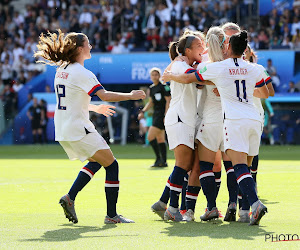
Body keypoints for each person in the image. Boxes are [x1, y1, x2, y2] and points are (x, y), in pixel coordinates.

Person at [34, 29, 146, 224]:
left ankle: (70, 198)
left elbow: (72, 99)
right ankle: (111, 215)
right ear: (79, 49)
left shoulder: (62, 70)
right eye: (88, 44)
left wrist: (94, 107)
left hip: (64, 129)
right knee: (112, 165)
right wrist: (130, 95)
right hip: (79, 128)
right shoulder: (82, 72)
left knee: (97, 162)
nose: (91, 46)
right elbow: (105, 94)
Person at [163, 30, 269, 225]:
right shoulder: (252, 67)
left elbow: (190, 78)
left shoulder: (211, 66)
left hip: (215, 121)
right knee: (238, 167)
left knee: (204, 166)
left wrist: (170, 75)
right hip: (242, 120)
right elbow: (267, 92)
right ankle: (239, 208)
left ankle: (209, 207)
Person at [151, 33, 204, 221]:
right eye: (199, 45)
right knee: (182, 165)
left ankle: (165, 203)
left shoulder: (183, 64)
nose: (202, 48)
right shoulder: (181, 65)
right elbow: (193, 77)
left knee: (185, 165)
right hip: (180, 118)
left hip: (185, 118)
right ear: (187, 50)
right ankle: (172, 209)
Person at [138, 67, 171, 167]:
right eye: (153, 75)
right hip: (156, 114)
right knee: (160, 138)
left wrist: (166, 114)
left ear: (160, 76)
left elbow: (168, 101)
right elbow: (151, 102)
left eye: (156, 74)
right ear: (150, 76)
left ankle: (158, 159)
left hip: (161, 114)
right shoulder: (152, 88)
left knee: (150, 137)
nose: (154, 76)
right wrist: (143, 111)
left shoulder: (164, 87)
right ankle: (163, 161)